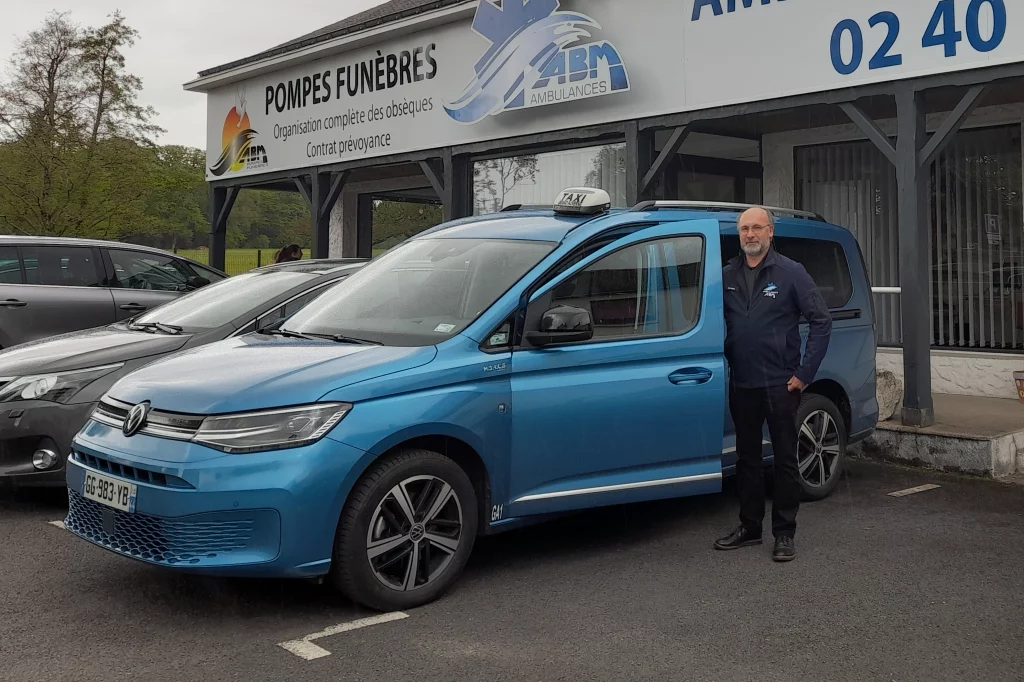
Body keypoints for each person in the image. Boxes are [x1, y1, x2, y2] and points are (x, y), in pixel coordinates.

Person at [714, 207, 832, 562]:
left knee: (784, 460)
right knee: (746, 459)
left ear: (770, 232)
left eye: (756, 228)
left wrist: (804, 374)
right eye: (744, 229)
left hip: (782, 384)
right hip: (743, 383)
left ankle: (784, 533)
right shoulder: (725, 275)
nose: (750, 235)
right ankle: (750, 527)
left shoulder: (791, 273)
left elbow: (821, 322)